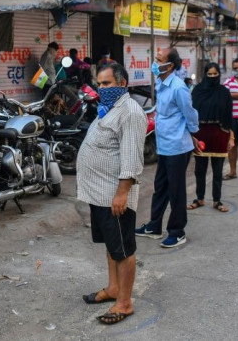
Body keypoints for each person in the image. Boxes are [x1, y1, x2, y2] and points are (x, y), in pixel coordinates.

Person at [77, 63, 147, 325]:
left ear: (122, 83)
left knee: (123, 249)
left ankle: (125, 303)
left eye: (107, 83)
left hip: (113, 194)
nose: (101, 88)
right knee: (111, 245)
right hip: (99, 192)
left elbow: (131, 158)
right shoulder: (108, 109)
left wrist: (122, 193)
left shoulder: (129, 112)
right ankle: (114, 288)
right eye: (100, 83)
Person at [135, 48, 199, 248]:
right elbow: (162, 111)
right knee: (160, 187)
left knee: (176, 191)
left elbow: (189, 113)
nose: (154, 62)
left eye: (158, 59)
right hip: (164, 145)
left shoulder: (179, 87)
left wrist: (194, 134)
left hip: (178, 146)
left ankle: (177, 231)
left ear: (170, 65)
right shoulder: (161, 83)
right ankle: (154, 226)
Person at [188, 63, 234, 213]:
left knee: (218, 171)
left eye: (216, 74)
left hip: (219, 135)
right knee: (199, 170)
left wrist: (231, 137)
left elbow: (228, 116)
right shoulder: (197, 91)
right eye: (210, 74)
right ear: (205, 74)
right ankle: (199, 198)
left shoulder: (224, 92)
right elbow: (191, 113)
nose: (213, 77)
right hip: (200, 135)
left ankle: (217, 200)